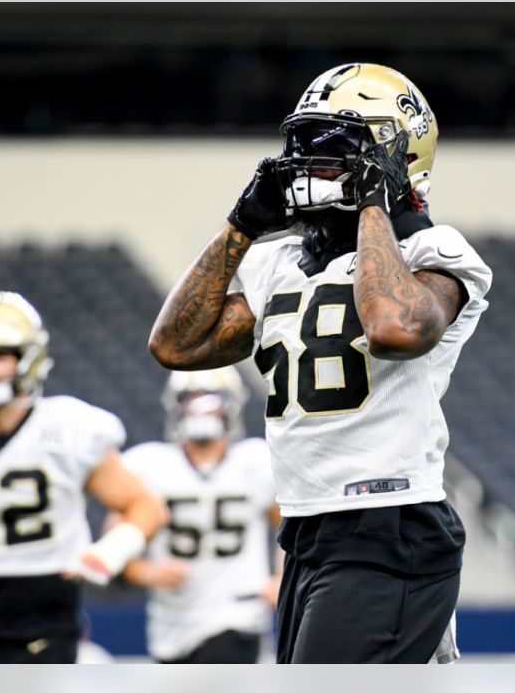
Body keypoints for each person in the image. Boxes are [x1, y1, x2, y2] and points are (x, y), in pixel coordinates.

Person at [148, 63, 492, 663]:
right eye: (306, 144)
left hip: (389, 520)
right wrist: (241, 225)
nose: (312, 162)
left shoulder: (432, 251)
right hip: (308, 529)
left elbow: (393, 328)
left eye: (337, 146)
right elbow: (175, 346)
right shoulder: (276, 260)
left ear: (397, 155)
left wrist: (373, 206)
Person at [0, 290, 168, 663]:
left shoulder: (69, 429)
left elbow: (145, 507)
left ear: (29, 359)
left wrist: (110, 553)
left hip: (46, 618)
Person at [108, 366, 282, 663]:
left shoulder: (255, 461)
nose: (200, 409)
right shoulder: (149, 465)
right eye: (191, 399)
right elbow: (114, 547)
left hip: (237, 614)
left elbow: (290, 529)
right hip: (170, 623)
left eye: (210, 399)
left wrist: (282, 578)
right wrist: (148, 573)